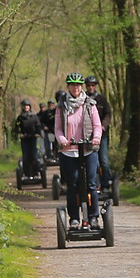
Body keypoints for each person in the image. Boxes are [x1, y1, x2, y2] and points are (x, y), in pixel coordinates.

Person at [54, 73, 102, 228]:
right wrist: (63, 140)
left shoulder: (90, 104)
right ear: (68, 87)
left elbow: (97, 126)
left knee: (91, 184)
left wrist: (96, 138)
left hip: (88, 150)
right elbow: (58, 129)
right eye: (73, 85)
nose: (76, 88)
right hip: (69, 151)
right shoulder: (61, 106)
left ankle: (93, 217)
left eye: (78, 85)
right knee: (72, 185)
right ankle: (74, 218)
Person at [85, 75, 113, 190]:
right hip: (88, 136)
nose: (91, 87)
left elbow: (108, 114)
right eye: (88, 85)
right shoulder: (83, 99)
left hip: (102, 136)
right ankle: (95, 185)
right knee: (93, 163)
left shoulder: (102, 99)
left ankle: (106, 183)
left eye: (93, 85)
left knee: (104, 161)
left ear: (95, 86)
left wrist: (103, 126)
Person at [13, 98, 44, 177]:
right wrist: (19, 134)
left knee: (34, 155)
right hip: (24, 138)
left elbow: (38, 126)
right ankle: (26, 174)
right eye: (25, 106)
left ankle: (36, 173)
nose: (26, 107)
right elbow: (16, 128)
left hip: (33, 137)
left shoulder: (34, 117)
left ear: (30, 107)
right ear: (22, 107)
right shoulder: (20, 118)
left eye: (27, 106)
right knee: (25, 156)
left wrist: (38, 133)